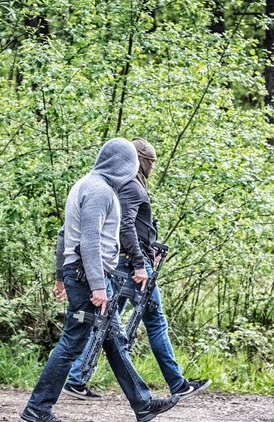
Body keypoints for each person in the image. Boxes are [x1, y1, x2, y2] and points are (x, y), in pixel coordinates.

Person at [21, 138, 180, 422]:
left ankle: (142, 404)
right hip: (87, 277)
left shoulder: (88, 184)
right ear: (123, 163)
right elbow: (89, 241)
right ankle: (38, 406)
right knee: (73, 341)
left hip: (85, 274)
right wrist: (97, 285)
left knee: (113, 338)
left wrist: (66, 276)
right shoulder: (99, 191)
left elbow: (64, 236)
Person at [62, 138, 211, 401]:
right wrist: (139, 261)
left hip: (126, 261)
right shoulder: (130, 185)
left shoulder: (124, 184)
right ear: (140, 161)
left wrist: (148, 245)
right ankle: (176, 384)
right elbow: (125, 226)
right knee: (155, 321)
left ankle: (76, 378)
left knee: (106, 324)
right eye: (150, 162)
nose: (152, 166)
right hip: (131, 265)